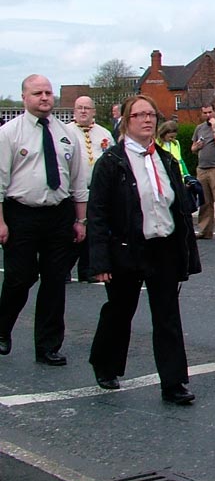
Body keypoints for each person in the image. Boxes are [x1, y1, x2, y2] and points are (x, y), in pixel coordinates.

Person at [87, 95, 201, 404]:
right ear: (126, 120)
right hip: (127, 248)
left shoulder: (165, 160)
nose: (147, 120)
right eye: (139, 115)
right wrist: (100, 260)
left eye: (151, 114)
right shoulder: (111, 162)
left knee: (167, 315)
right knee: (120, 310)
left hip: (162, 247)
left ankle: (174, 382)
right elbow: (97, 213)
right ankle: (106, 364)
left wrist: (187, 253)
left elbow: (178, 209)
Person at [0, 74, 88, 364]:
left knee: (54, 281)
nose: (45, 97)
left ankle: (48, 345)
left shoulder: (67, 133)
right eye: (38, 93)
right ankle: (2, 329)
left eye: (48, 92)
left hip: (58, 213)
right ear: (24, 97)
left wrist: (80, 220)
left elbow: (77, 181)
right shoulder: (10, 133)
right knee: (20, 277)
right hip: (21, 213)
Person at [65, 95, 114, 282]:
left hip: (97, 191)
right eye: (79, 108)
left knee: (93, 231)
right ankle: (64, 268)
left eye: (87, 108)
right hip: (72, 192)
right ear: (74, 111)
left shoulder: (104, 134)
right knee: (74, 232)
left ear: (94, 111)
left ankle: (87, 269)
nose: (83, 111)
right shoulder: (65, 132)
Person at [191, 102, 215, 240]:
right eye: (205, 113)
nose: (208, 115)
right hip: (202, 168)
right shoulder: (199, 128)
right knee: (205, 202)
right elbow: (193, 148)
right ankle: (204, 230)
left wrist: (214, 129)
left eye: (210, 112)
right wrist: (197, 146)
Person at [157, 120, 204, 218]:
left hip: (178, 177)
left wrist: (187, 175)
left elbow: (180, 160)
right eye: (170, 137)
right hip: (165, 178)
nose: (172, 139)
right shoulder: (157, 144)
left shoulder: (176, 143)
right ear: (164, 133)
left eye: (174, 137)